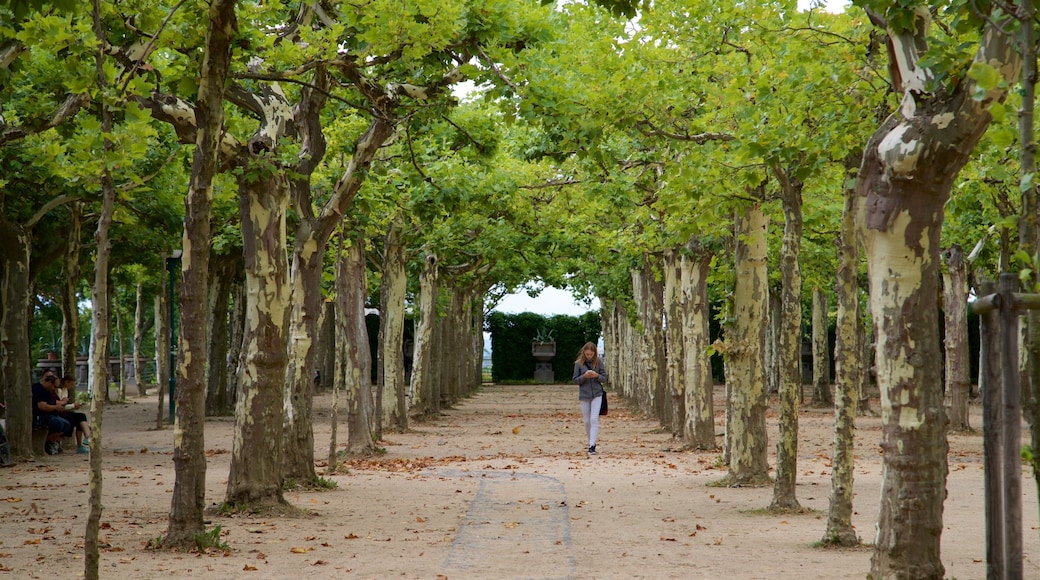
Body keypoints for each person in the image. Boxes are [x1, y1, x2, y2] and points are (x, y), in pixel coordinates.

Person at [572, 341, 607, 456]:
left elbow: (604, 378)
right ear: (584, 353)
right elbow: (575, 380)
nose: (589, 356)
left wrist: (596, 376)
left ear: (594, 354)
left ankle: (592, 445)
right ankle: (590, 440)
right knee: (587, 421)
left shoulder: (599, 363)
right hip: (584, 394)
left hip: (597, 394)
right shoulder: (578, 364)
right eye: (587, 354)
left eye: (591, 354)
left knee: (593, 419)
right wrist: (584, 376)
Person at [32, 372, 74, 455]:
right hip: (39, 416)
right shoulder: (38, 389)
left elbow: (53, 402)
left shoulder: (48, 391)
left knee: (67, 424)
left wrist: (60, 405)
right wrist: (55, 407)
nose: (54, 389)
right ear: (48, 383)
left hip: (49, 414)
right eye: (54, 386)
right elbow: (42, 406)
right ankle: (46, 443)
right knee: (58, 424)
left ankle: (52, 441)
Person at [57, 375, 90, 453]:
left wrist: (74, 406)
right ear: (66, 382)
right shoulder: (58, 391)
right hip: (58, 412)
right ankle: (88, 436)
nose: (71, 386)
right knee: (80, 417)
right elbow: (61, 406)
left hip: (64, 411)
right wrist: (73, 405)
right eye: (71, 384)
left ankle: (82, 444)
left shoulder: (65, 390)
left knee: (80, 419)